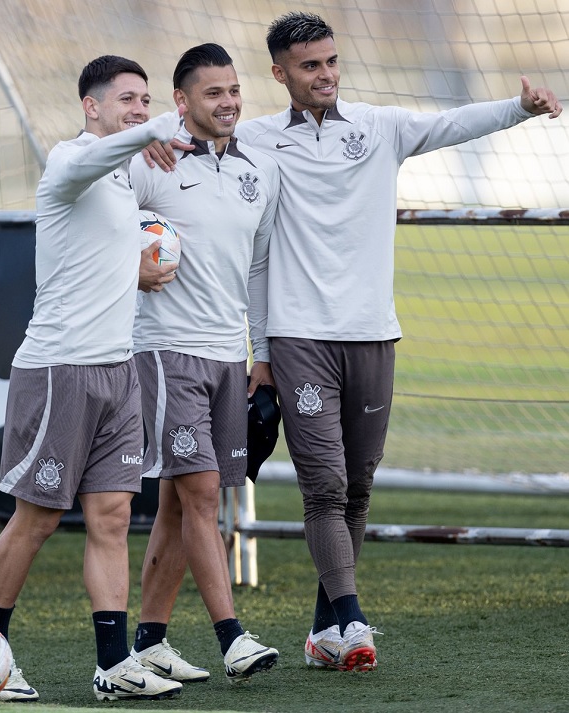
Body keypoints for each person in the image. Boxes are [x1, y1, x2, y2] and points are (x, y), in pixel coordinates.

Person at [148, 11, 563, 673]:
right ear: (280, 72)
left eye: (331, 62)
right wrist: (263, 350)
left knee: (359, 487)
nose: (326, 75)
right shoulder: (254, 138)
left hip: (375, 332)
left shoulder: (380, 127)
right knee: (325, 486)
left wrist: (519, 106)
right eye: (310, 66)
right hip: (299, 337)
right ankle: (352, 617)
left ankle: (322, 632)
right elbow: (195, 123)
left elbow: (453, 123)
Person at [0, 55, 185, 702]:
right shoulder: (68, 162)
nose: (138, 108)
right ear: (91, 107)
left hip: (117, 370)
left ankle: (113, 663)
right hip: (58, 369)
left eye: (145, 99)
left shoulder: (128, 173)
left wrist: (134, 269)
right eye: (127, 99)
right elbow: (101, 160)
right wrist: (152, 129)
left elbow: (95, 257)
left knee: (112, 516)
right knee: (36, 519)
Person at [127, 43, 281, 684]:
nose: (228, 103)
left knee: (175, 504)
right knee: (201, 493)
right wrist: (125, 265)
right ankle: (232, 637)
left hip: (228, 357)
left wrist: (262, 356)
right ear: (181, 102)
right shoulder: (147, 161)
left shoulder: (259, 170)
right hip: (166, 353)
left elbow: (259, 268)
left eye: (234, 90)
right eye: (212, 93)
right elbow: (80, 218)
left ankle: (150, 642)